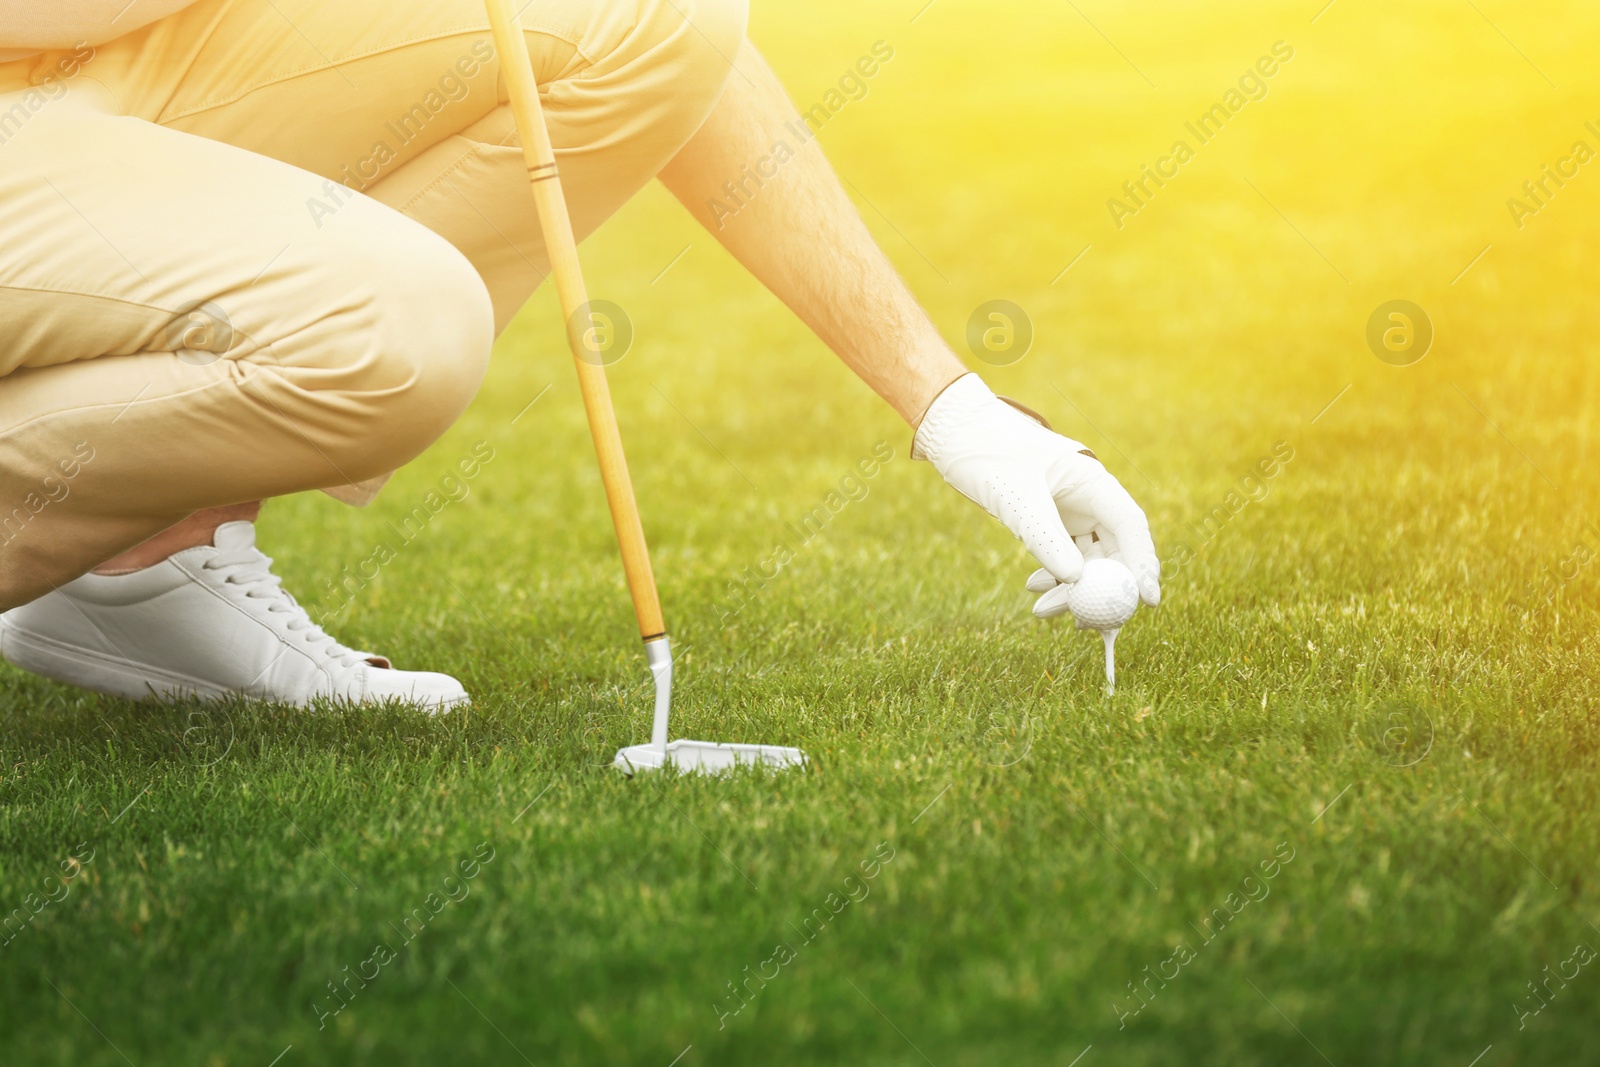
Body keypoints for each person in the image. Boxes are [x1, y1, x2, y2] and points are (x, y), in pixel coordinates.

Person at [0, 0, 1159, 709]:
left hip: (116, 50)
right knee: (397, 332)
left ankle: (149, 556)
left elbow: (685, 64)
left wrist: (954, 408)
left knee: (654, 14)